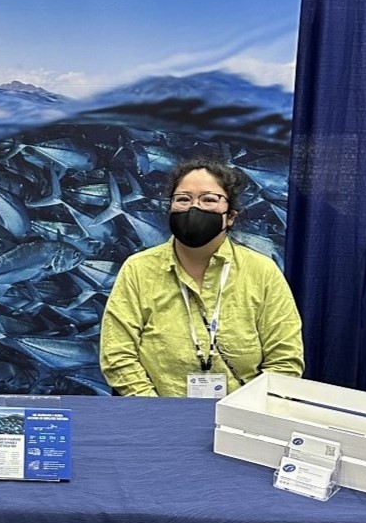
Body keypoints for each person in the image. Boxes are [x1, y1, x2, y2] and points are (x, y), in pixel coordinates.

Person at [99, 158, 303, 397]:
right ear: (170, 209)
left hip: (240, 421)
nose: (194, 208)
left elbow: (285, 361)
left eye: (208, 199)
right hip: (156, 419)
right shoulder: (138, 269)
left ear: (231, 217)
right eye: (183, 199)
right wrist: (156, 413)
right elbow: (117, 354)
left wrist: (244, 415)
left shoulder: (262, 271)